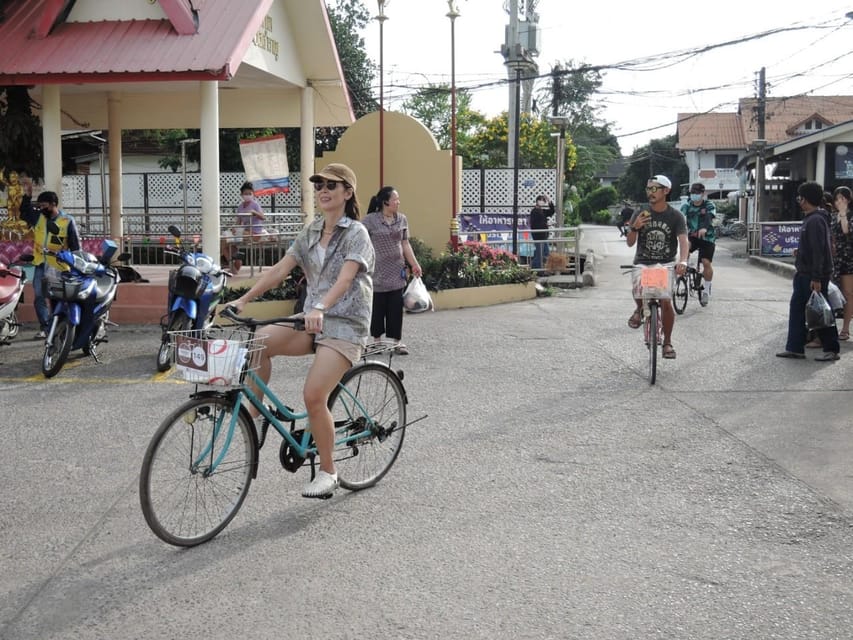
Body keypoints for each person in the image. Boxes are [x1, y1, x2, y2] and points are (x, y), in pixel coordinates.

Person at [230, 163, 374, 498]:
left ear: (348, 193)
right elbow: (282, 269)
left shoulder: (357, 234)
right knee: (259, 339)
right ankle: (258, 414)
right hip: (311, 320)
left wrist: (322, 307)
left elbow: (346, 279)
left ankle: (329, 472)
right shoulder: (311, 232)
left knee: (313, 395)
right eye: (319, 185)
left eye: (332, 186)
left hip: (344, 325)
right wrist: (244, 299)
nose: (323, 190)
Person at [625, 175, 689, 360]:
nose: (650, 193)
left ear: (666, 191)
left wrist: (682, 261)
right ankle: (639, 309)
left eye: (655, 188)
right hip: (643, 261)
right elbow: (630, 243)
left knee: (665, 300)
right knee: (638, 288)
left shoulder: (676, 216)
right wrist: (634, 228)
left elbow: (683, 241)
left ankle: (667, 341)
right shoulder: (640, 213)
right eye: (648, 189)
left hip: (666, 263)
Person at [776, 181, 840, 361]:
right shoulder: (812, 219)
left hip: (812, 276)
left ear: (804, 199)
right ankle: (795, 347)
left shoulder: (816, 220)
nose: (799, 201)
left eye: (799, 197)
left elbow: (820, 251)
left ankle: (831, 348)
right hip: (804, 273)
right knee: (797, 309)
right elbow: (813, 248)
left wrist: (817, 278)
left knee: (821, 310)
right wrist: (800, 252)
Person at [363, 186, 422, 355]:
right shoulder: (369, 220)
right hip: (377, 272)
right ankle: (376, 341)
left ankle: (397, 342)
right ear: (385, 202)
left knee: (396, 308)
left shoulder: (402, 219)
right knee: (378, 307)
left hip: (397, 271)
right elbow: (360, 241)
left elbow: (405, 244)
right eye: (395, 199)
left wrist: (414, 264)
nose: (398, 202)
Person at [20, 190, 81, 339]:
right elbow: (24, 212)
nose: (41, 209)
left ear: (53, 204)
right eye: (40, 206)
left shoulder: (67, 221)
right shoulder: (39, 218)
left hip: (60, 267)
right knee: (39, 298)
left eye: (44, 205)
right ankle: (46, 328)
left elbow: (75, 247)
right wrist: (27, 195)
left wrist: (77, 264)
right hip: (41, 264)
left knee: (58, 299)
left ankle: (60, 327)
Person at [680, 182, 716, 304]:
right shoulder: (686, 206)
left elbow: (709, 217)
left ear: (703, 193)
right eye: (692, 193)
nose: (694, 195)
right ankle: (685, 269)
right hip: (692, 236)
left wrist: (704, 228)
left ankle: (706, 289)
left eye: (697, 193)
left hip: (707, 238)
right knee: (685, 249)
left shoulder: (709, 205)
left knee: (706, 262)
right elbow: (681, 217)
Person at [221, 181, 266, 273]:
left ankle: (234, 266)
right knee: (224, 242)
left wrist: (254, 212)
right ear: (241, 194)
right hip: (244, 232)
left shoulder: (255, 205)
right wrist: (234, 228)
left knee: (227, 240)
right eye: (246, 193)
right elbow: (238, 221)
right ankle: (234, 264)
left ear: (253, 194)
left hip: (254, 233)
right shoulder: (240, 207)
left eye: (250, 193)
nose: (248, 195)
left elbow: (263, 217)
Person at [830, 185, 853, 341]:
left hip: (849, 258)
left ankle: (845, 329)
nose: (840, 201)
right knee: (834, 293)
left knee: (848, 293)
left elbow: (846, 231)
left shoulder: (849, 216)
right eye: (837, 198)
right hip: (835, 259)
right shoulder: (833, 216)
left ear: (848, 200)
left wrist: (843, 214)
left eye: (842, 198)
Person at [529, 195, 554, 269]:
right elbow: (535, 224)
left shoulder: (542, 211)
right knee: (539, 254)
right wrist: (546, 224)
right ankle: (537, 269)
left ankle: (538, 267)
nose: (543, 202)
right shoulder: (534, 211)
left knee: (545, 252)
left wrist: (549, 201)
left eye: (544, 201)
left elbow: (551, 211)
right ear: (537, 201)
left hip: (544, 235)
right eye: (542, 200)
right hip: (538, 235)